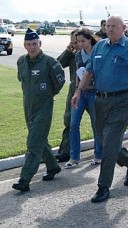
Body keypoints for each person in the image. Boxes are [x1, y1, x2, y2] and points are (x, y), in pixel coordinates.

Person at [71, 16, 128, 203]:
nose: (110, 29)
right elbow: (89, 71)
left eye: (114, 26)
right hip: (100, 100)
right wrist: (78, 91)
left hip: (123, 100)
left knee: (111, 140)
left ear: (123, 28)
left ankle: (103, 186)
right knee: (105, 141)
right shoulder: (99, 47)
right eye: (108, 26)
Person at [12, 28, 65, 192]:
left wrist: (48, 95)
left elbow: (59, 83)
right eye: (28, 44)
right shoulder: (21, 61)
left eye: (35, 43)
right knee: (40, 140)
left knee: (33, 143)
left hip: (44, 107)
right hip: (28, 106)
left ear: (39, 43)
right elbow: (22, 80)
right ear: (25, 45)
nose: (32, 47)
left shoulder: (50, 63)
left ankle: (25, 179)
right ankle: (53, 166)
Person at [64, 28, 102, 168]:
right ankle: (74, 157)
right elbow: (76, 74)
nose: (80, 44)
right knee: (73, 124)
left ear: (90, 39)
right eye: (78, 41)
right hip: (80, 93)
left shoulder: (98, 52)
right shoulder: (78, 55)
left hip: (94, 93)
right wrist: (76, 91)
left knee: (95, 124)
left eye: (83, 41)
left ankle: (98, 155)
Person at [55, 29, 80, 163]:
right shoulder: (71, 54)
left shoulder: (92, 52)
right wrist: (67, 51)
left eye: (77, 42)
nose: (75, 45)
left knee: (99, 122)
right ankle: (65, 151)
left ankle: (105, 150)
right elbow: (57, 65)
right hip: (74, 89)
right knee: (69, 120)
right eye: (73, 42)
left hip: (92, 90)